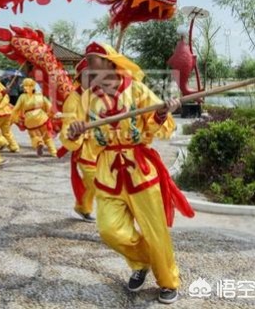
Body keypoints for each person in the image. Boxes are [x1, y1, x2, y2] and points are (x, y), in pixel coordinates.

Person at [65, 42, 194, 305]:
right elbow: (70, 134)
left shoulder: (135, 89)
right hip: (107, 171)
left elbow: (156, 127)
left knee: (155, 230)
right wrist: (74, 130)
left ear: (109, 62)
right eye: (87, 60)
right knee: (110, 230)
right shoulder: (86, 98)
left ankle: (168, 281)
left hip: (140, 169)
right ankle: (142, 261)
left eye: (93, 59)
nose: (88, 64)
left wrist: (161, 112)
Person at [59, 58, 98, 223]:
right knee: (95, 179)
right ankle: (85, 207)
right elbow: (68, 125)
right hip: (84, 147)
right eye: (88, 75)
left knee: (102, 180)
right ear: (80, 77)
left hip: (101, 145)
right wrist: (76, 133)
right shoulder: (73, 99)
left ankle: (83, 207)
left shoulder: (99, 95)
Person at [11, 78, 57, 157]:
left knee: (34, 135)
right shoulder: (40, 96)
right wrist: (51, 115)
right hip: (41, 116)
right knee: (47, 135)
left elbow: (16, 108)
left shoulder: (22, 97)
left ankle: (39, 143)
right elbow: (49, 106)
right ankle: (53, 151)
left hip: (29, 119)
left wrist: (15, 118)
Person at [0, 73, 20, 153]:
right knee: (7, 132)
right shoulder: (1, 88)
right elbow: (7, 99)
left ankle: (2, 142)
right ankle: (14, 147)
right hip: (7, 112)